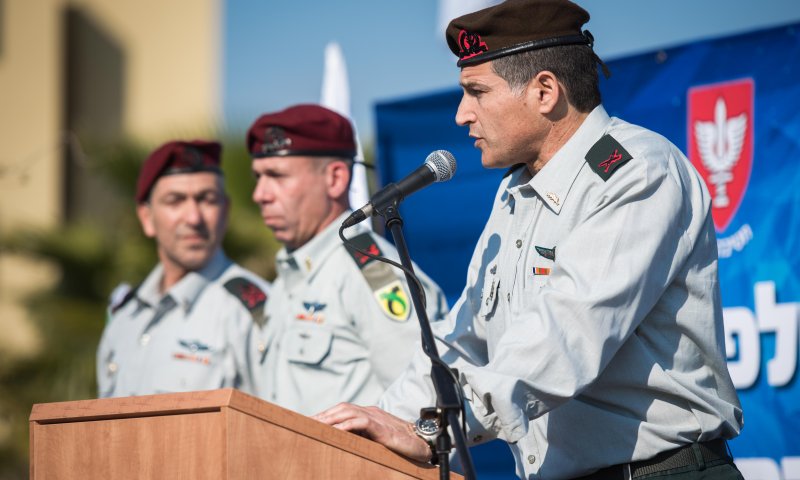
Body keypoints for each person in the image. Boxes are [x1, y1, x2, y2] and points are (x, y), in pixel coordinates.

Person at [314, 1, 744, 479]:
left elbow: (569, 330)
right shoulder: (517, 193)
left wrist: (433, 428)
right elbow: (463, 341)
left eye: (476, 92)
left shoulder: (637, 171)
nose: (461, 115)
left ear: (544, 91)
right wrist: (379, 425)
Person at [246, 104, 449, 416]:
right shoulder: (289, 274)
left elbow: (424, 409)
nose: (260, 194)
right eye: (258, 177)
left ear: (336, 178)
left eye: (276, 175)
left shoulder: (373, 272)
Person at [96, 140, 269, 398]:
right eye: (175, 201)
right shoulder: (125, 316)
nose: (193, 218)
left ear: (226, 211)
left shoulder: (254, 312)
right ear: (147, 218)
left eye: (207, 200)